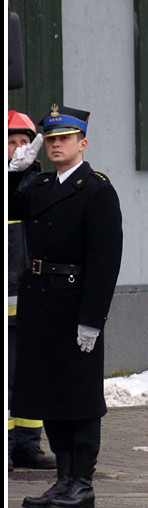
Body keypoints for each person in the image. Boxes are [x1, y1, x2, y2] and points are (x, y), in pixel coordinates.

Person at [9, 105, 123, 508]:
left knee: (79, 395)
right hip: (40, 302)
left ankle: (82, 483)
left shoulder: (95, 189)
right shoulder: (38, 185)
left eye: (64, 139)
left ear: (82, 143)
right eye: (51, 139)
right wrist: (14, 171)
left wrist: (92, 319)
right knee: (49, 393)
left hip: (75, 302)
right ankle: (62, 479)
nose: (56, 145)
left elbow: (106, 261)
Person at [7, 110, 56, 471]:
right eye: (11, 142)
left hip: (28, 297)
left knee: (31, 371)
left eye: (25, 142)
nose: (19, 149)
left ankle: (26, 444)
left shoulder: (37, 185)